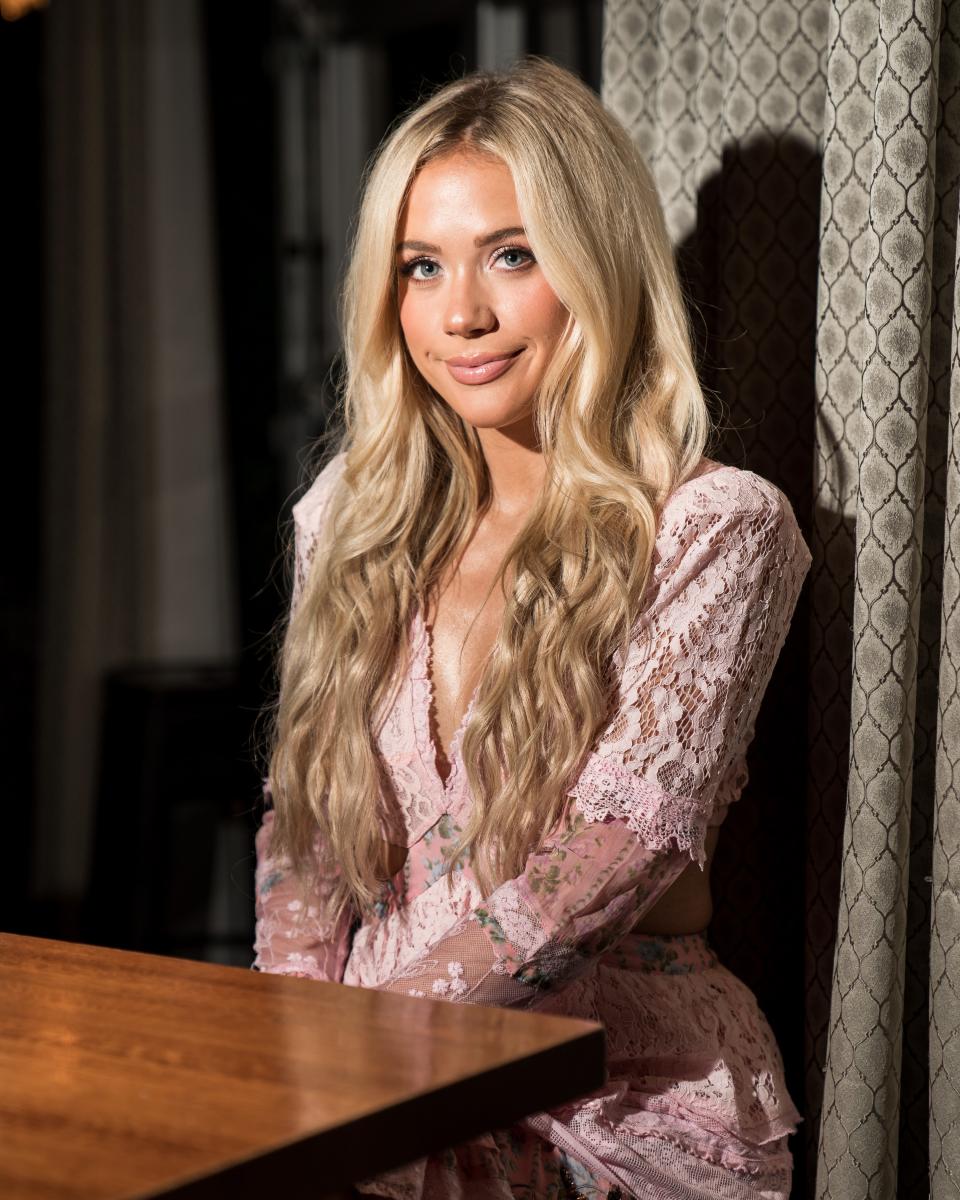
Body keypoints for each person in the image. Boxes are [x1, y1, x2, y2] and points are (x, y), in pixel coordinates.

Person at [253, 56, 811, 1200]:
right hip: (374, 1090)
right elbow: (310, 833)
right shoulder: (350, 521)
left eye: (512, 254)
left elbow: (609, 863)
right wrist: (281, 1061)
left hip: (621, 1100)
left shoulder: (714, 529)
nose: (460, 313)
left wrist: (360, 1050)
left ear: (597, 264)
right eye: (421, 267)